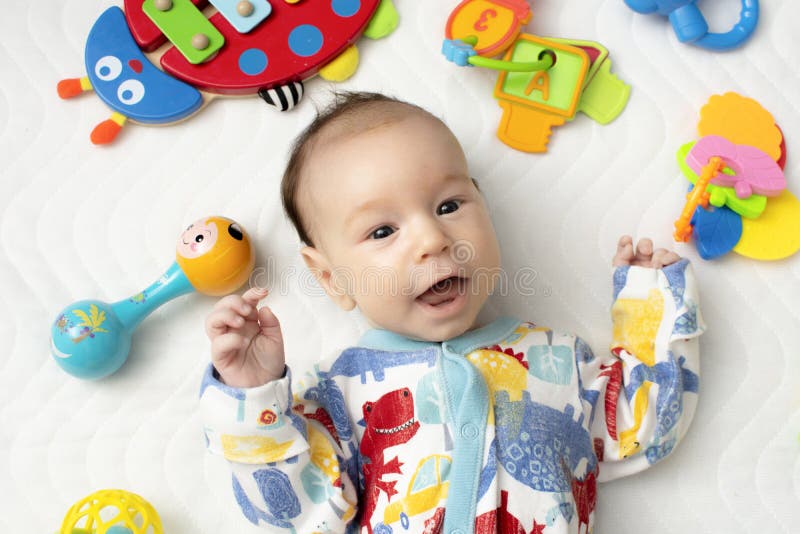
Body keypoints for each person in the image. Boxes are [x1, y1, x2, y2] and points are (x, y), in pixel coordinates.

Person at [199, 92, 704, 533]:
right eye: (382, 232)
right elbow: (297, 514)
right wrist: (253, 396)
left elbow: (643, 426)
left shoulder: (557, 360)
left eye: (448, 206)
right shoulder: (340, 392)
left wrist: (648, 306)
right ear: (332, 278)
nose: (432, 239)